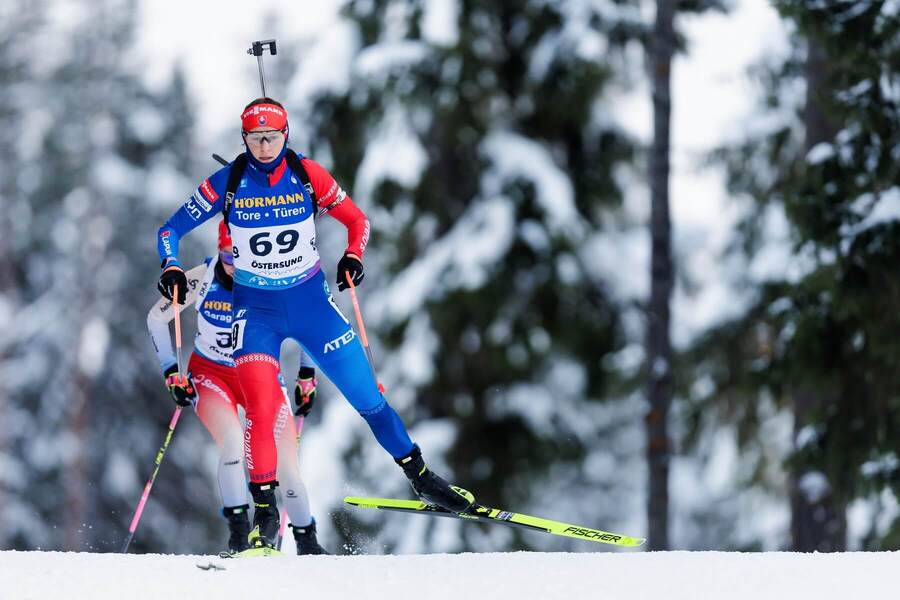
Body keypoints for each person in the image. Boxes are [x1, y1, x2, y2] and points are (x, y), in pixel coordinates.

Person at [155, 97, 472, 548]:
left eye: (273, 137)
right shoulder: (227, 182)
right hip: (256, 312)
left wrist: (353, 256)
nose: (265, 147)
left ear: (287, 135)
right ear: (243, 139)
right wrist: (170, 265)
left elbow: (357, 220)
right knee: (262, 411)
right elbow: (168, 230)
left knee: (368, 396)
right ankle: (264, 518)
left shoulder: (308, 174)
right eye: (255, 138)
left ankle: (422, 478)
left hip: (312, 305)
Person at [147, 219, 328, 555]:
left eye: (240, 257)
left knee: (287, 470)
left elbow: (311, 321)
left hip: (262, 377)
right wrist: (171, 371)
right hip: (211, 375)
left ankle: (308, 544)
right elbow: (156, 319)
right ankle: (239, 536)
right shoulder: (201, 278)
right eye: (228, 257)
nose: (233, 266)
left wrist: (307, 374)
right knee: (232, 442)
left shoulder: (273, 278)